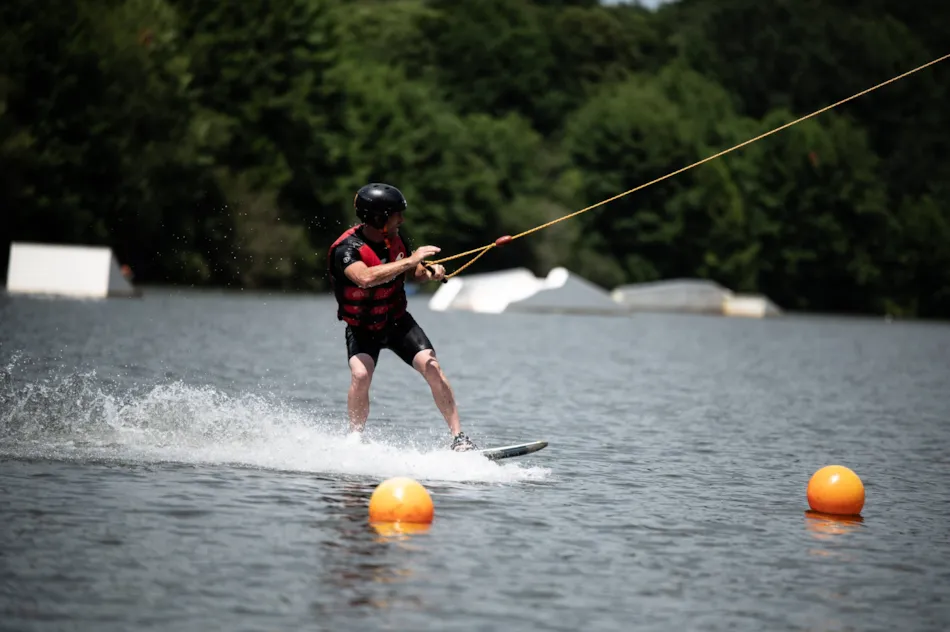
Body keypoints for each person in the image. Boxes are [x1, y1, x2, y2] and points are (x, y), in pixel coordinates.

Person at [327, 182, 478, 452]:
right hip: (363, 327)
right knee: (361, 375)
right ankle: (354, 441)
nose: (402, 219)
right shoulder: (346, 250)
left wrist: (432, 272)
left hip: (397, 322)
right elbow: (365, 278)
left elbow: (415, 270)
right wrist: (411, 261)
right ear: (379, 217)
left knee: (431, 366)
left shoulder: (394, 239)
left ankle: (459, 439)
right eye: (397, 214)